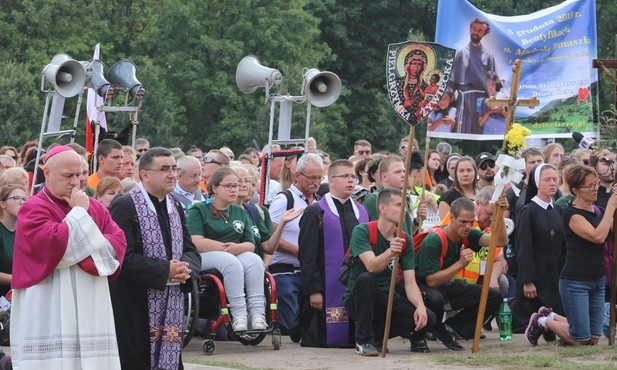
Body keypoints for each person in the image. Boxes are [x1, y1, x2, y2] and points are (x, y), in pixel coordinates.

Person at [11, 146, 126, 369]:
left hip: (91, 299)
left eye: (81, 174)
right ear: (47, 173)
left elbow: (118, 243)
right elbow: (56, 248)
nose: (76, 182)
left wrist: (85, 239)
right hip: (48, 303)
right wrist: (80, 215)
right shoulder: (33, 208)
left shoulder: (95, 207)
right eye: (68, 176)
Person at [109, 147, 201, 370]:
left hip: (171, 299)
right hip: (135, 303)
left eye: (173, 169)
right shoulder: (125, 206)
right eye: (164, 169)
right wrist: (164, 270)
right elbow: (123, 258)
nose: (172, 174)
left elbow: (191, 250)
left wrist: (185, 269)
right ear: (145, 175)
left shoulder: (175, 205)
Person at [525, 164, 617, 346]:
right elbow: (597, 236)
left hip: (597, 279)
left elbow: (610, 231)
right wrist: (611, 207)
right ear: (575, 190)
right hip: (576, 281)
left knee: (592, 339)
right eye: (589, 186)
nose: (594, 189)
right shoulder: (570, 214)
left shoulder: (597, 210)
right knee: (580, 339)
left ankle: (551, 315)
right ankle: (543, 322)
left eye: (596, 184)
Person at [344, 188, 435, 355]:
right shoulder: (362, 231)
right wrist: (390, 252)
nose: (404, 210)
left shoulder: (404, 238)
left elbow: (410, 283)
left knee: (428, 318)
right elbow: (372, 266)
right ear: (382, 208)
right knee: (367, 279)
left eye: (405, 206)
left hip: (388, 297)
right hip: (359, 299)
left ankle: (376, 335)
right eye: (398, 205)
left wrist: (420, 306)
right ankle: (363, 341)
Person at [297, 160, 370, 347]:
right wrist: (313, 290)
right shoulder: (315, 211)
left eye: (353, 176)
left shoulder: (362, 212)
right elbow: (307, 255)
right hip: (324, 289)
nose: (351, 181)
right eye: (345, 176)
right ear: (331, 180)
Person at [188, 167, 271, 332]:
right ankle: (239, 315)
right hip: (203, 256)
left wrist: (237, 247)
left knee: (254, 260)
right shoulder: (198, 210)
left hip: (235, 252)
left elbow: (250, 244)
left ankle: (257, 315)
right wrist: (225, 248)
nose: (235, 189)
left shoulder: (240, 211)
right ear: (214, 188)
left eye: (236, 185)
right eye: (229, 186)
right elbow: (196, 241)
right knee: (230, 262)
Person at [416, 197, 507, 343]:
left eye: (471, 222)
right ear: (451, 218)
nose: (468, 226)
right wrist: (460, 264)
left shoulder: (468, 234)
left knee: (494, 296)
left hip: (446, 285)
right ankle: (429, 329)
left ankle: (452, 328)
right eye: (463, 222)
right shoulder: (434, 240)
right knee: (436, 298)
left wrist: (500, 214)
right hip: (423, 289)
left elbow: (500, 241)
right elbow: (431, 281)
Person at [268, 153, 324, 334]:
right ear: (297, 175)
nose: (316, 182)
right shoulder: (284, 200)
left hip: (310, 274)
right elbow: (270, 237)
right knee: (293, 327)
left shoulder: (320, 203)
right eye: (311, 177)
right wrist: (301, 252)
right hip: (286, 272)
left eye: (319, 177)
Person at [510, 164, 566, 333]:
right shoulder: (528, 212)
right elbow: (523, 248)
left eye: (555, 179)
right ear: (537, 183)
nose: (552, 183)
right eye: (547, 179)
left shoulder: (558, 209)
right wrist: (527, 279)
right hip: (537, 269)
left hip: (557, 269)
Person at [233, 165, 302, 260]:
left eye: (247, 181)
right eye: (239, 181)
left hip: (254, 267)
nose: (244, 185)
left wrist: (282, 223)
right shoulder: (219, 210)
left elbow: (269, 248)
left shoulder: (253, 211)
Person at [449, 18, 496, 134]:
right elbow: (453, 81)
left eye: (480, 30)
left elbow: (491, 82)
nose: (476, 32)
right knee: (462, 128)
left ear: (484, 33)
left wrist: (491, 99)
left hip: (480, 98)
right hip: (463, 97)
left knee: (478, 128)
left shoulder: (489, 56)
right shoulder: (461, 53)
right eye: (474, 29)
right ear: (470, 29)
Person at [0, 184, 26, 297]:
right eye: (16, 198)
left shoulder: (26, 230)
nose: (22, 202)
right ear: (2, 204)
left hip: (21, 293)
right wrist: (20, 280)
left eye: (24, 199)